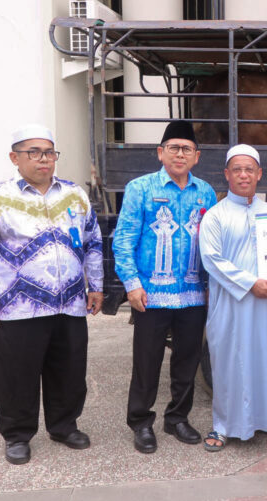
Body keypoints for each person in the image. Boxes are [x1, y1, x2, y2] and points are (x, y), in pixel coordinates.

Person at [0, 124, 104, 465]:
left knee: (69, 370)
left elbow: (93, 242)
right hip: (16, 307)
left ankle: (64, 425)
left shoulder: (75, 195)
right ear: (15, 157)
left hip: (69, 303)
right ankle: (16, 434)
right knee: (15, 374)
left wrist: (97, 285)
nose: (44, 160)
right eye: (35, 153)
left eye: (50, 153)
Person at [112, 120, 216, 454]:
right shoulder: (140, 189)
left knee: (187, 359)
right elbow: (124, 239)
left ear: (196, 156)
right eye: (174, 147)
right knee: (147, 361)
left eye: (187, 148)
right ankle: (141, 423)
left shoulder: (206, 192)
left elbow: (214, 242)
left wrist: (212, 285)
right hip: (151, 295)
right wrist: (131, 284)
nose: (180, 154)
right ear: (161, 152)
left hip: (192, 294)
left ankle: (177, 419)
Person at [198, 144, 267, 451]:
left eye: (249, 169)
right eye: (237, 169)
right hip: (231, 302)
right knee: (228, 361)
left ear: (259, 174)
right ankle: (223, 426)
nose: (243, 175)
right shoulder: (215, 215)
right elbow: (211, 259)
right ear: (226, 174)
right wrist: (251, 283)